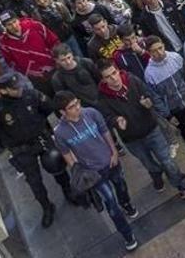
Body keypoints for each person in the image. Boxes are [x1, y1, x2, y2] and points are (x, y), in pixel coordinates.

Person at [96, 60, 185, 199]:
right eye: (108, 77)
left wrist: (149, 103)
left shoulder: (132, 80)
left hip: (151, 129)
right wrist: (116, 121)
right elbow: (107, 117)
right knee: (149, 164)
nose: (113, 78)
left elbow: (149, 95)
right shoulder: (103, 97)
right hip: (132, 139)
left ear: (118, 71)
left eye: (114, 73)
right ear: (103, 80)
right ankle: (156, 174)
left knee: (167, 161)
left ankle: (184, 186)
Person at [0, 73, 76, 228]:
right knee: (34, 182)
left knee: (57, 166)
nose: (19, 89)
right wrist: (11, 144)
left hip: (41, 139)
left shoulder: (30, 95)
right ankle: (46, 207)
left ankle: (68, 192)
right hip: (22, 149)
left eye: (19, 85)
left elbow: (48, 107)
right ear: (4, 91)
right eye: (14, 88)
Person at [53, 91, 139, 252]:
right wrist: (79, 173)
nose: (77, 107)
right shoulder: (60, 132)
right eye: (72, 107)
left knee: (121, 186)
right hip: (93, 174)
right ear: (62, 112)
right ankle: (127, 235)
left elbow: (106, 132)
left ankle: (126, 203)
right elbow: (67, 155)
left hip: (111, 162)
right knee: (110, 203)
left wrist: (114, 152)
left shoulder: (91, 113)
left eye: (77, 102)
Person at [143, 36, 185, 167]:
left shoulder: (176, 58)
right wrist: (168, 115)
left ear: (163, 45)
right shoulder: (150, 73)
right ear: (149, 53)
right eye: (154, 51)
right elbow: (156, 98)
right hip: (174, 108)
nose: (159, 52)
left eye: (160, 48)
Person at [0, 11, 59, 97]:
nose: (14, 26)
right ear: (4, 27)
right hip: (35, 77)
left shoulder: (34, 26)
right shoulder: (4, 43)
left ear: (18, 20)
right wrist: (26, 71)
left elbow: (53, 41)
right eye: (9, 24)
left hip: (54, 67)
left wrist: (57, 59)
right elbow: (11, 62)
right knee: (49, 97)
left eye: (14, 22)